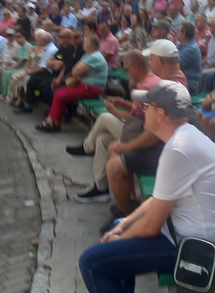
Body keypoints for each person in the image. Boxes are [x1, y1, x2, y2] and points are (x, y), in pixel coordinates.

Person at [79, 80, 215, 293]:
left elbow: (152, 226)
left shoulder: (179, 149)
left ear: (161, 114)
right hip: (190, 236)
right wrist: (124, 223)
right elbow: (158, 199)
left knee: (93, 263)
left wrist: (120, 236)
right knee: (114, 232)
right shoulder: (185, 137)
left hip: (197, 249)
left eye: (146, 107)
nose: (140, 111)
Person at [67, 50, 161, 207]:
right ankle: (100, 188)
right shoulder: (150, 81)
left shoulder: (146, 86)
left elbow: (131, 119)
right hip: (138, 129)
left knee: (105, 117)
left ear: (135, 67)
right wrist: (124, 104)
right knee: (102, 139)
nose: (126, 72)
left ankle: (87, 147)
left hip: (142, 136)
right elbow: (137, 113)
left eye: (126, 68)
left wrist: (114, 111)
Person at [36, 34, 107, 132]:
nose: (83, 43)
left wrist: (76, 70)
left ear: (92, 45)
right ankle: (53, 122)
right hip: (84, 86)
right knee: (58, 92)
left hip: (92, 88)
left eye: (86, 42)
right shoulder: (88, 55)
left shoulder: (95, 57)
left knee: (60, 95)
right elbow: (75, 70)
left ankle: (54, 123)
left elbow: (75, 71)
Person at [12, 29, 59, 113]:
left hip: (48, 73)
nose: (38, 40)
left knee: (29, 79)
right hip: (42, 70)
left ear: (44, 41)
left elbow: (43, 68)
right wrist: (26, 72)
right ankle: (23, 102)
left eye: (40, 39)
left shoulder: (50, 49)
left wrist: (28, 72)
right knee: (25, 78)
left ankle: (27, 105)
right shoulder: (46, 47)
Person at [176, 21, 201, 92]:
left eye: (178, 31)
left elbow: (173, 66)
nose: (176, 33)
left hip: (189, 85)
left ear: (183, 33)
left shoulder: (191, 49)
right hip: (179, 81)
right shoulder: (180, 45)